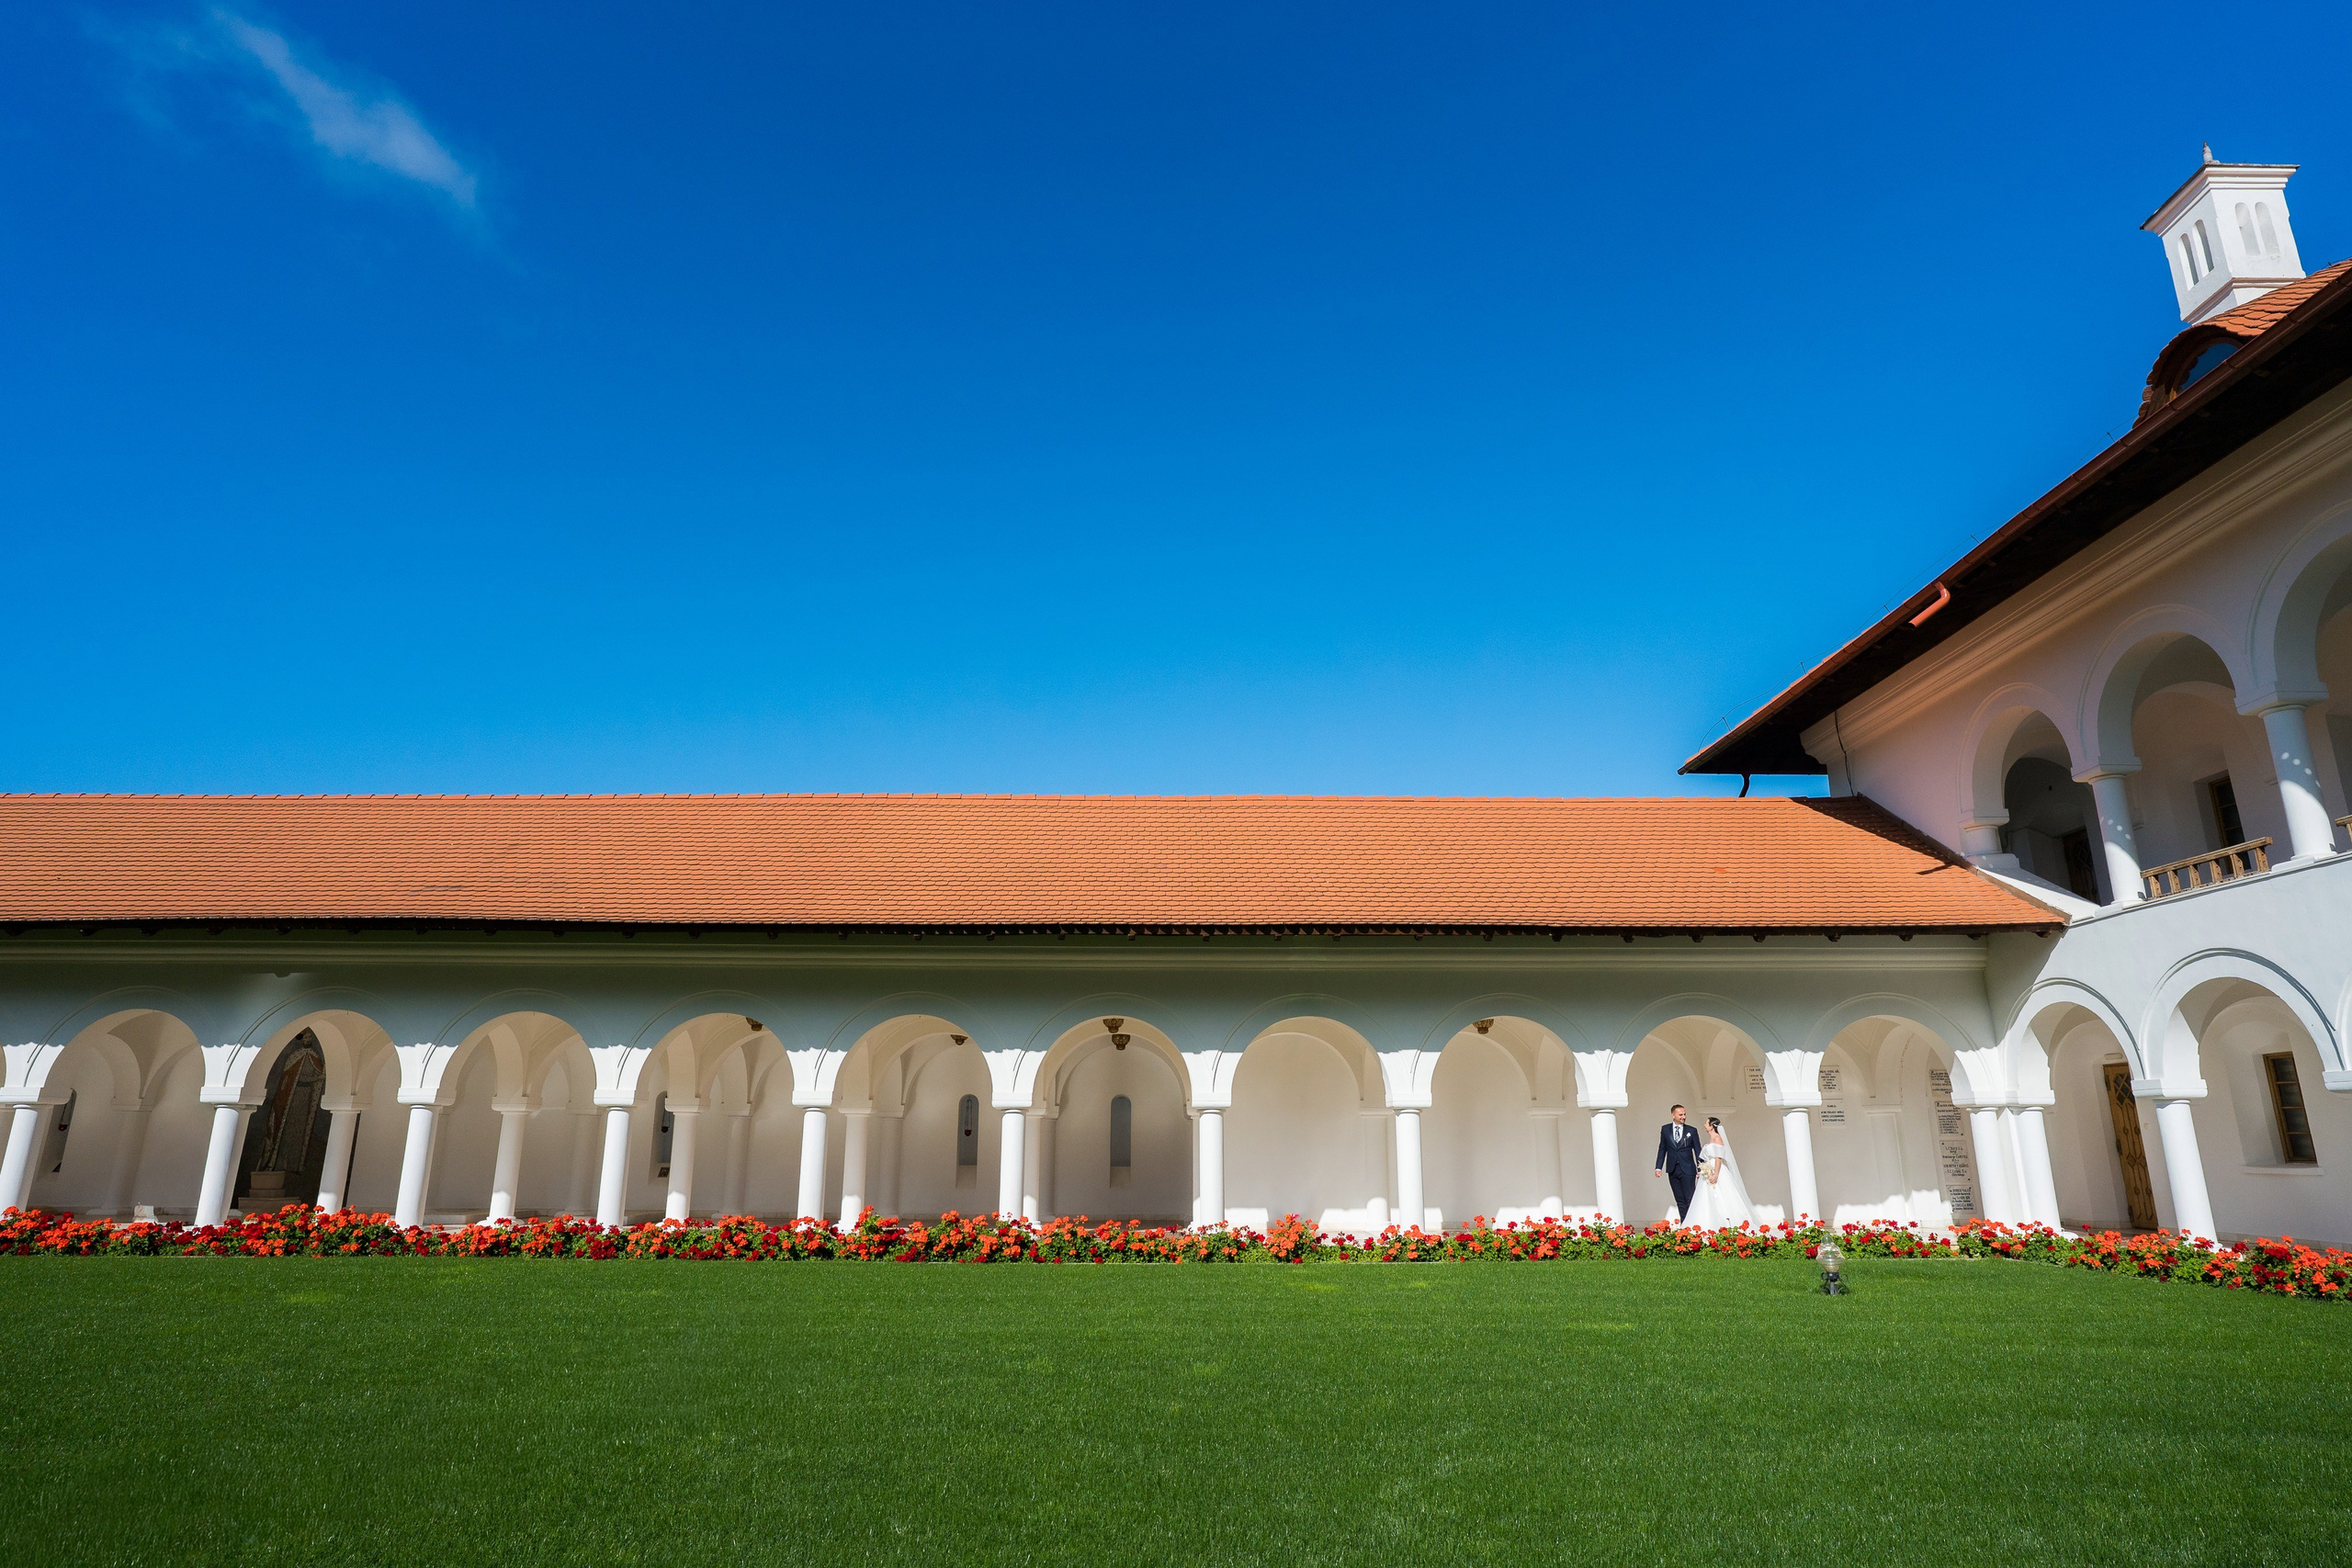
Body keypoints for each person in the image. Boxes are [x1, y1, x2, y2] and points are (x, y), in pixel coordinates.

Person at [1680, 1115, 1758, 1229]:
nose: (1705, 1126)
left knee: (1722, 1195)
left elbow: (1718, 1158)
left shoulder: (1717, 1138)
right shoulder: (1711, 1138)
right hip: (1708, 1169)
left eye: (1706, 1123)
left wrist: (1716, 1173)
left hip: (1717, 1170)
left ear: (1711, 1126)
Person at [1653, 1103, 1702, 1222]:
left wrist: (1700, 1169)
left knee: (1689, 1198)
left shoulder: (1692, 1131)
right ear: (1673, 1115)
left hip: (1688, 1169)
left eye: (1684, 1114)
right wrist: (1658, 1167)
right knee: (1679, 1199)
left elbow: (1697, 1150)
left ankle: (1693, 1223)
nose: (1683, 1117)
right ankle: (1684, 1223)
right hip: (1673, 1169)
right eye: (1680, 1115)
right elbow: (1662, 1148)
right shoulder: (1665, 1129)